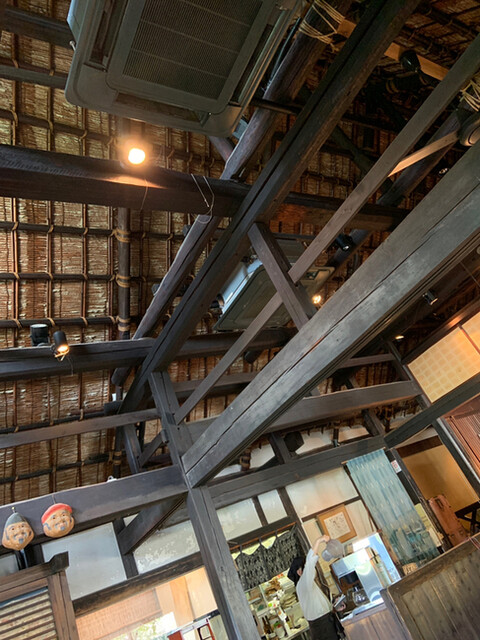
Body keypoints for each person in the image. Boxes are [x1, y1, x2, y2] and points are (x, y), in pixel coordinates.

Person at [288, 536, 344, 640]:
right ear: (299, 572)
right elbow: (310, 562)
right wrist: (319, 540)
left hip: (325, 624)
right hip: (322, 628)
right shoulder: (303, 583)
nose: (311, 569)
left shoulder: (308, 584)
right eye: (305, 568)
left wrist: (334, 607)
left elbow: (319, 608)